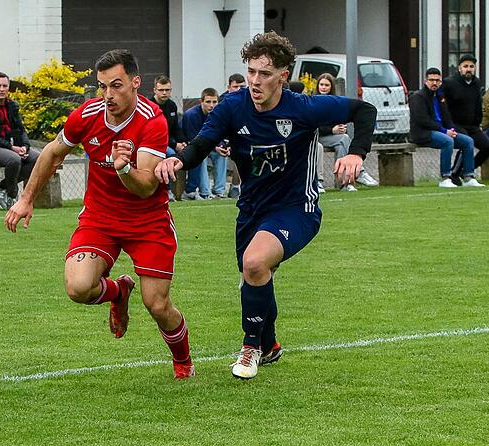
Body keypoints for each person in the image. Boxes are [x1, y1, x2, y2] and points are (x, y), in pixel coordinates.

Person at [155, 31, 377, 380]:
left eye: (265, 73)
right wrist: (178, 161)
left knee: (255, 263)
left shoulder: (304, 108)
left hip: (296, 208)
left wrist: (355, 152)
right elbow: (203, 142)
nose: (255, 81)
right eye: (251, 72)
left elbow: (364, 110)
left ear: (283, 76)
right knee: (253, 276)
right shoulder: (233, 106)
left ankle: (250, 346)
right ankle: (270, 343)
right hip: (251, 210)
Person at [6, 49, 194, 379]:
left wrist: (123, 169)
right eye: (102, 86)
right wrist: (26, 199)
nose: (108, 95)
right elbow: (52, 152)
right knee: (78, 287)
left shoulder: (153, 122)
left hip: (147, 221)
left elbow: (147, 186)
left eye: (116, 85)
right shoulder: (87, 115)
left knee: (158, 305)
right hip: (100, 217)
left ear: (136, 83)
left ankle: (183, 361)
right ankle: (118, 291)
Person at [409, 68, 485, 188]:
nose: (434, 83)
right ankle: (445, 177)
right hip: (423, 133)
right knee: (447, 141)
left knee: (468, 141)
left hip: (442, 131)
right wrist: (445, 131)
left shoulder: (440, 97)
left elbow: (447, 117)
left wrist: (452, 130)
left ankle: (468, 177)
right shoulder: (418, 97)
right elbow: (422, 120)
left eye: (437, 80)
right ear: (425, 81)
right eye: (431, 80)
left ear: (440, 82)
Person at [0, 72, 40, 210]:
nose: (2, 89)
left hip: (11, 145)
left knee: (39, 159)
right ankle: (11, 195)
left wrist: (25, 146)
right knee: (14, 159)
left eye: (5, 86)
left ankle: (2, 186)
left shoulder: (12, 105)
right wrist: (11, 148)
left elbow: (21, 129)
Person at [315, 73, 379, 191]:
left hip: (329, 137)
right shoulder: (311, 101)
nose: (323, 87)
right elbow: (311, 125)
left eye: (326, 85)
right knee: (317, 145)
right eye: (321, 84)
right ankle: (318, 182)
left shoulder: (335, 102)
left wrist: (339, 128)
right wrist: (331, 130)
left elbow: (366, 110)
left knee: (343, 138)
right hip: (315, 136)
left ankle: (347, 181)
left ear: (331, 87)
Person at [442, 54, 489, 184]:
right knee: (467, 142)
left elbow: (478, 104)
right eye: (465, 66)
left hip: (472, 125)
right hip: (455, 123)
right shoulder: (449, 83)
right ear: (459, 68)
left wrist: (478, 123)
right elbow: (443, 106)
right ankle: (455, 173)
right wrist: (448, 124)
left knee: (488, 146)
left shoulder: (476, 83)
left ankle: (466, 169)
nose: (469, 69)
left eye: (471, 66)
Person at [180, 88, 227, 199]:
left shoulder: (218, 114)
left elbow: (220, 134)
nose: (211, 105)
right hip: (193, 146)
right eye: (208, 102)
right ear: (201, 102)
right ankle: (205, 192)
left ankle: (219, 191)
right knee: (201, 155)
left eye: (214, 102)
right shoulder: (191, 114)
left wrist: (222, 146)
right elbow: (194, 140)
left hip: (211, 146)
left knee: (222, 155)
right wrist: (215, 147)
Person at [148, 75, 187, 201]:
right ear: (155, 90)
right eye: (161, 90)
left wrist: (182, 142)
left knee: (190, 153)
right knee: (170, 155)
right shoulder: (150, 106)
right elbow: (155, 132)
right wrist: (175, 145)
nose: (164, 93)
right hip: (153, 143)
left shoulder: (172, 105)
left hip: (171, 142)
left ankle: (191, 190)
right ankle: (168, 190)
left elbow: (175, 128)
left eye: (167, 90)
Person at [220, 73, 247, 198]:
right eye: (235, 87)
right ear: (228, 87)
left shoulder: (250, 99)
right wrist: (222, 143)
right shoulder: (221, 102)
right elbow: (214, 127)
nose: (239, 90)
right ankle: (219, 189)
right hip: (220, 139)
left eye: (242, 87)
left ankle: (238, 186)